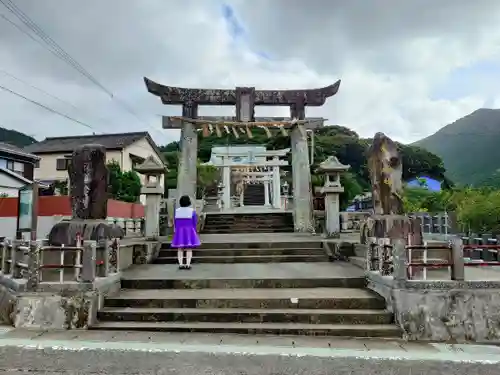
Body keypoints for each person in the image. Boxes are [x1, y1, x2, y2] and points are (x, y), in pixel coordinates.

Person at [171, 195, 201, 269]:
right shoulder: (192, 211)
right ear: (189, 202)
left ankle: (180, 264)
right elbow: (195, 222)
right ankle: (188, 264)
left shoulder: (177, 211)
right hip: (189, 231)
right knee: (189, 248)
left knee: (180, 248)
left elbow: (175, 222)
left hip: (179, 231)